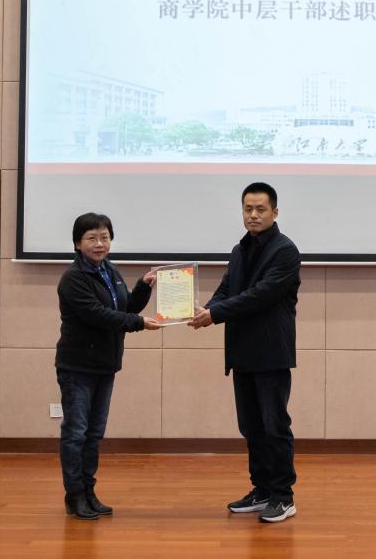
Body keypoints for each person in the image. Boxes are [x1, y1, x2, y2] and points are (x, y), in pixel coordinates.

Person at [188, 182, 301, 523]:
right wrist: (206, 309)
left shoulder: (285, 251)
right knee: (251, 426)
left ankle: (283, 496)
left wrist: (215, 314)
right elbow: (227, 288)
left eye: (260, 209)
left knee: (274, 426)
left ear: (275, 212)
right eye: (248, 209)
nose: (253, 215)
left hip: (271, 353)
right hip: (243, 353)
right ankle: (262, 489)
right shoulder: (240, 249)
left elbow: (260, 295)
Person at [56, 212, 161, 520]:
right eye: (92, 238)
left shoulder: (109, 270)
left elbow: (126, 305)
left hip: (104, 365)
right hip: (78, 367)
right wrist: (139, 323)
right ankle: (74, 495)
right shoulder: (73, 278)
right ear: (77, 244)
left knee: (93, 434)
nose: (99, 244)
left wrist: (143, 286)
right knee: (76, 433)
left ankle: (89, 492)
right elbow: (99, 315)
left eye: (104, 237)